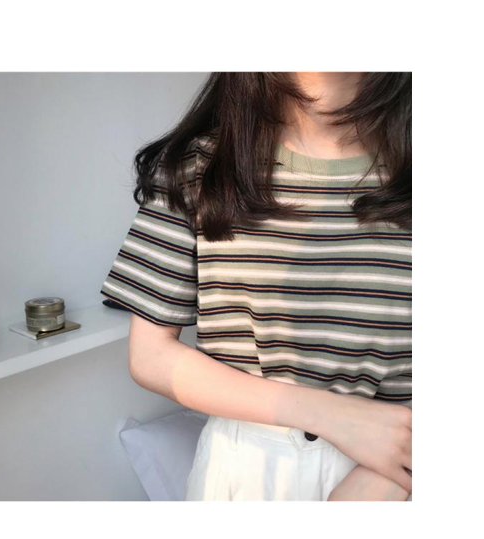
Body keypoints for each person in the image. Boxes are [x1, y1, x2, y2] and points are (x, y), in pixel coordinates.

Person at [101, 72, 412, 501]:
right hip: (242, 474)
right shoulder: (197, 168)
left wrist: (392, 476)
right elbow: (150, 356)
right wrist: (333, 415)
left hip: (394, 469)